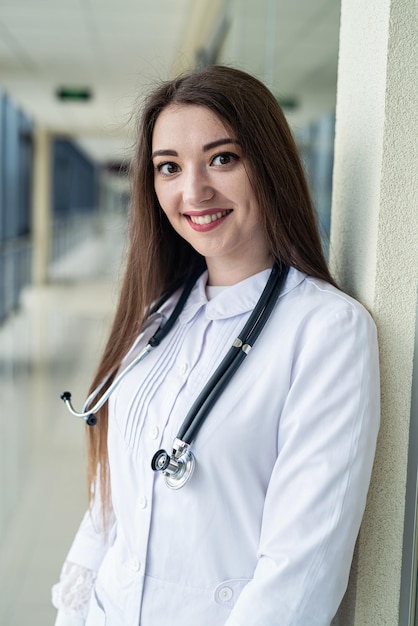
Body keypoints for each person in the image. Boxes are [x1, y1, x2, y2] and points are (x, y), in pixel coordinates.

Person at [52, 65, 380, 626]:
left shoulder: (326, 331)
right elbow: (112, 502)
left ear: (269, 165)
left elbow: (301, 572)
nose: (193, 190)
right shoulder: (158, 315)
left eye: (223, 158)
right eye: (169, 167)